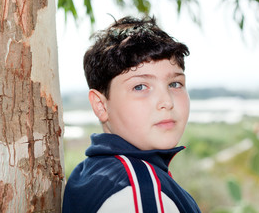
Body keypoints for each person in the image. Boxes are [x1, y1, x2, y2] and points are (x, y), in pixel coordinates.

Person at [62, 16, 201, 213]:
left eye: (174, 84)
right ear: (101, 105)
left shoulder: (91, 171)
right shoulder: (140, 192)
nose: (167, 102)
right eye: (140, 86)